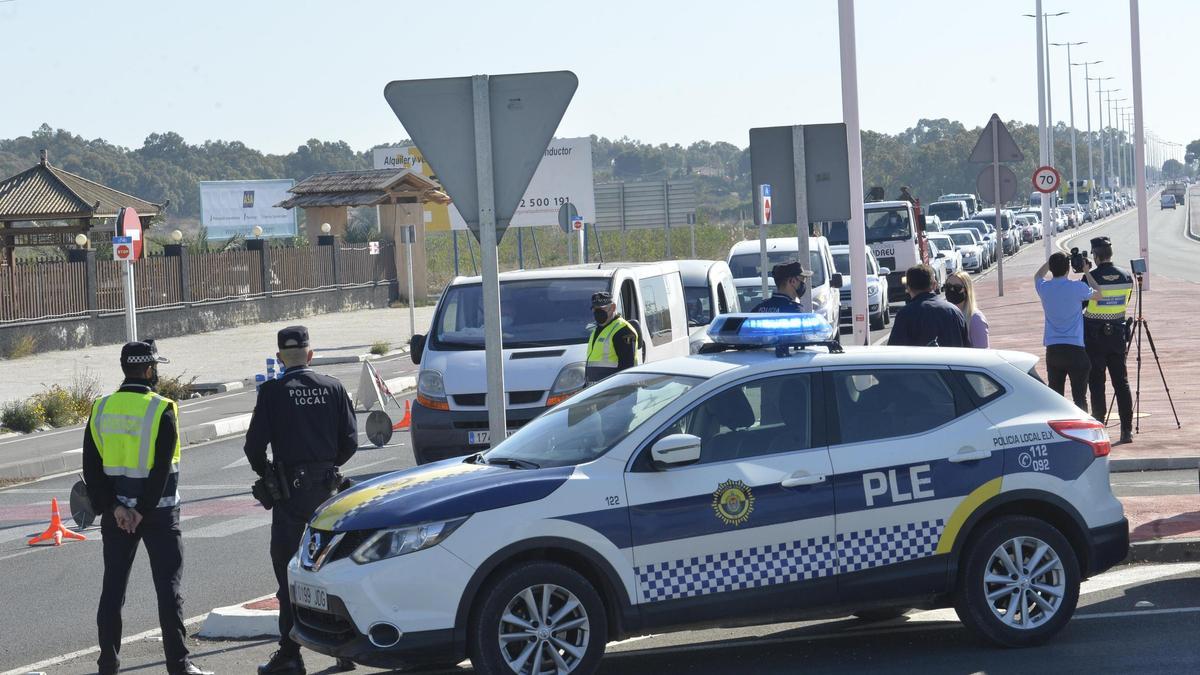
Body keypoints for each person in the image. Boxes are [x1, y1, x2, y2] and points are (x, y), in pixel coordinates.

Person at [82, 340, 212, 675]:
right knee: (168, 590)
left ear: (125, 368)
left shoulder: (101, 408)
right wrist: (142, 508)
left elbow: (92, 469)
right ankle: (178, 666)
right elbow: (160, 468)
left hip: (117, 516)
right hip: (159, 513)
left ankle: (108, 664)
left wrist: (115, 507)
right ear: (150, 370)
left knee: (113, 589)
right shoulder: (161, 408)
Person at [245, 326, 359, 674]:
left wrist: (269, 474)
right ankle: (346, 648)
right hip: (328, 493)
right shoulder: (333, 388)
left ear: (280, 358)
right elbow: (351, 441)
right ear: (311, 355)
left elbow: (252, 447)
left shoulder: (272, 392)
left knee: (289, 575)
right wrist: (328, 465)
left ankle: (291, 654)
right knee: (333, 568)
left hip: (290, 495)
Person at [1083, 236, 1135, 444]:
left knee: (1097, 383)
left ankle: (1099, 430)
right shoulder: (1126, 276)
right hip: (1117, 336)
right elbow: (1126, 301)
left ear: (1095, 255)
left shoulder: (1090, 278)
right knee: (1121, 383)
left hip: (1094, 338)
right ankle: (1126, 431)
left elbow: (1083, 304)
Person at [1035, 252, 1103, 410]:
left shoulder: (1044, 288)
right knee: (1080, 399)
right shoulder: (1077, 287)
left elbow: (1038, 275)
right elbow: (1099, 294)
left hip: (1053, 350)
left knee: (1056, 399)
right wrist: (1086, 271)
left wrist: (1050, 261)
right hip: (1075, 349)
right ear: (1068, 269)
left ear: (1051, 269)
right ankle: (1083, 431)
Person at [887, 264, 969, 347]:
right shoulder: (954, 312)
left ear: (908, 288)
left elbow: (894, 351)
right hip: (952, 360)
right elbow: (967, 350)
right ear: (934, 285)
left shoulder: (904, 315)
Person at [585, 292, 639, 384]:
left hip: (616, 391)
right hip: (597, 391)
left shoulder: (623, 330)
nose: (598, 312)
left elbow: (627, 366)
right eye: (595, 309)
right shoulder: (597, 329)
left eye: (602, 308)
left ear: (613, 307)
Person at [945, 270, 989, 348]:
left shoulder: (975, 318)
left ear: (967, 290)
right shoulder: (945, 315)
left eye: (957, 287)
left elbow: (983, 353)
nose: (951, 290)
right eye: (948, 287)